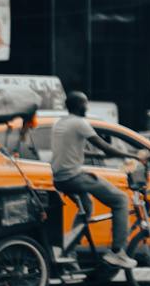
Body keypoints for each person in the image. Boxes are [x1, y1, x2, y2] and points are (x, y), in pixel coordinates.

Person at [50, 92, 136, 268]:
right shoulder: (79, 123)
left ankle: (68, 252)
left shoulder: (60, 123)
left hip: (59, 178)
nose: (87, 108)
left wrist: (96, 154)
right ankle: (118, 252)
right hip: (72, 177)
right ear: (79, 106)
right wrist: (132, 156)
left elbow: (70, 150)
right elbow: (106, 147)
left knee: (87, 208)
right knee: (120, 200)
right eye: (85, 104)